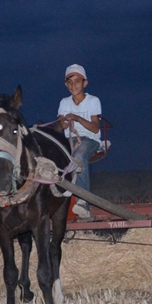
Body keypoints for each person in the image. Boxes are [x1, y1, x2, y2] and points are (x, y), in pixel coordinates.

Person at [57, 64, 101, 221]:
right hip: (70, 140)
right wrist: (62, 123)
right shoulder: (64, 102)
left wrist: (77, 118)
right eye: (70, 82)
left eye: (77, 81)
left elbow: (95, 128)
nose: (73, 85)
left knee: (79, 155)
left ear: (85, 83)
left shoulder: (93, 101)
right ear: (66, 85)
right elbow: (58, 125)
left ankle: (83, 202)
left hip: (89, 140)